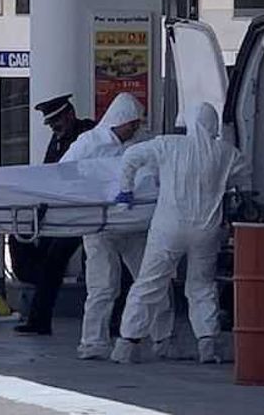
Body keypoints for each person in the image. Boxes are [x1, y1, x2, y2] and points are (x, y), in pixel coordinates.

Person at [111, 103, 250, 365]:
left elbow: (131, 157)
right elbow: (244, 178)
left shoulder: (168, 144)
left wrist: (126, 188)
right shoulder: (226, 153)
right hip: (206, 231)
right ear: (213, 125)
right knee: (201, 285)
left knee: (149, 283)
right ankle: (208, 344)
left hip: (168, 228)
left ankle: (127, 344)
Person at [60, 93, 172, 360]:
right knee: (102, 286)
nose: (135, 127)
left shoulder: (143, 141)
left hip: (134, 225)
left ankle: (163, 338)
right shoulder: (88, 143)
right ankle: (93, 342)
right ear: (119, 120)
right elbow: (63, 172)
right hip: (100, 225)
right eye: (132, 123)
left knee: (153, 281)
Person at [11, 94, 95, 335]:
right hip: (62, 211)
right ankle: (39, 319)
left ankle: (110, 321)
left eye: (57, 123)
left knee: (96, 267)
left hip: (84, 209)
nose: (54, 129)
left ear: (69, 115)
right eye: (51, 125)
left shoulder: (87, 135)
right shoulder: (58, 139)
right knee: (50, 262)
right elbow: (50, 172)